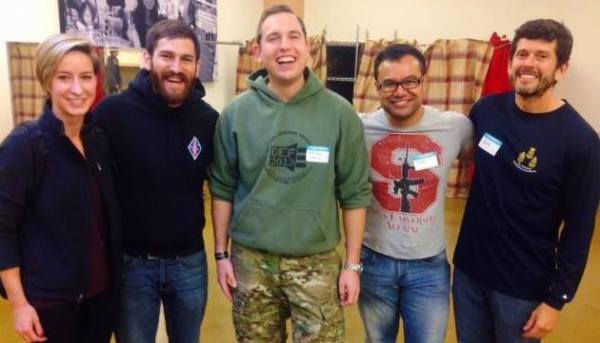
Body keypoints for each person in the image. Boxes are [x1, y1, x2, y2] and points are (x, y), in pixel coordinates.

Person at [209, 4, 371, 342]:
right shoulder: (235, 115)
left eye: (293, 36)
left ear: (308, 45)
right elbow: (223, 188)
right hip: (251, 265)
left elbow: (354, 193)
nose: (285, 46)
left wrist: (352, 265)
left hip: (317, 265)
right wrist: (221, 254)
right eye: (273, 38)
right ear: (258, 50)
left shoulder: (341, 115)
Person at [453, 19, 600, 342]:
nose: (528, 64)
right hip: (468, 274)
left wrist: (556, 300)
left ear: (561, 69)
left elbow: (579, 230)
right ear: (510, 63)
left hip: (522, 290)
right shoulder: (487, 110)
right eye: (521, 54)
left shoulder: (581, 141)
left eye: (541, 56)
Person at [94, 19, 218, 343]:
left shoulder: (208, 121)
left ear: (198, 66)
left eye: (186, 59)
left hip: (189, 263)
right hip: (133, 265)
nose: (176, 67)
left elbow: (225, 188)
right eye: (167, 56)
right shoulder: (111, 114)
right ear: (147, 59)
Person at [0, 34, 122, 343]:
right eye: (64, 78)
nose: (77, 89)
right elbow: (2, 230)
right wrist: (20, 305)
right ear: (47, 82)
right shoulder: (25, 145)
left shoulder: (97, 140)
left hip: (99, 298)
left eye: (85, 77)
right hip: (51, 305)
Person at [358, 44, 473, 343]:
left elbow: (488, 168)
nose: (400, 91)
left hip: (429, 267)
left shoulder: (455, 127)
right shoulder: (359, 128)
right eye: (390, 83)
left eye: (410, 81)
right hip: (373, 263)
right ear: (377, 86)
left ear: (424, 81)